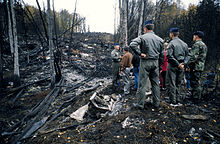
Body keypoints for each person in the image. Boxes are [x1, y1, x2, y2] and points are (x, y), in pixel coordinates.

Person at [130, 20, 164, 109]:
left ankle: (140, 104)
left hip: (145, 62)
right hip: (155, 62)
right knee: (155, 84)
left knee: (142, 84)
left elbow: (132, 44)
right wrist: (160, 66)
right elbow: (162, 55)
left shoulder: (142, 37)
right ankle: (156, 103)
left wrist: (139, 53)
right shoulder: (160, 39)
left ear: (145, 28)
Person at [166, 27, 189, 105]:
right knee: (178, 83)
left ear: (172, 34)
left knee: (172, 83)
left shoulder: (171, 43)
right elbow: (188, 55)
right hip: (181, 65)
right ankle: (178, 99)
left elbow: (169, 55)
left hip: (173, 65)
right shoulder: (184, 44)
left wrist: (177, 64)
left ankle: (173, 101)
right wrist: (183, 63)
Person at [187, 31, 207, 104]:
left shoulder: (197, 44)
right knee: (196, 81)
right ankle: (196, 97)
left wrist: (187, 64)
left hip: (196, 66)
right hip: (200, 66)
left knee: (195, 82)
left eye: (194, 36)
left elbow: (192, 57)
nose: (193, 37)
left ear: (196, 36)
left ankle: (196, 99)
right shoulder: (203, 45)